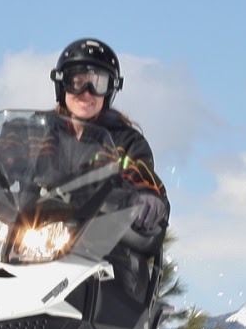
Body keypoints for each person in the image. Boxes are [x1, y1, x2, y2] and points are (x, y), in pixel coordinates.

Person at [48, 38, 169, 236]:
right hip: (34, 229)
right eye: (77, 82)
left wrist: (145, 195)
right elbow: (8, 151)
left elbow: (139, 172)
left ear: (110, 90)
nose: (86, 94)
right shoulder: (38, 132)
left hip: (102, 243)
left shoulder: (126, 141)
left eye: (98, 84)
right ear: (62, 83)